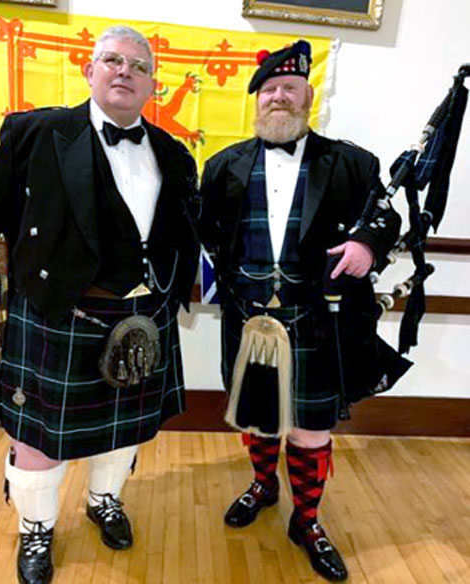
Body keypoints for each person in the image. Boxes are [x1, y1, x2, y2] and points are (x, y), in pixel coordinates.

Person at [0, 25, 200, 584]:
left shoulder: (172, 151)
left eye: (138, 66)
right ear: (89, 71)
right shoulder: (36, 133)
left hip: (143, 316)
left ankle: (103, 499)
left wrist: (175, 295)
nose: (124, 71)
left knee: (128, 430)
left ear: (153, 86)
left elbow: (183, 230)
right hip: (57, 313)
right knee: (38, 439)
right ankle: (37, 529)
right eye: (112, 61)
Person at [198, 40, 402, 583]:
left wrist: (366, 245)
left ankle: (306, 520)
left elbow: (385, 219)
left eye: (289, 88)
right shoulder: (223, 166)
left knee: (311, 428)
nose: (278, 98)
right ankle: (264, 486)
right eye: (268, 90)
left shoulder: (352, 163)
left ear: (308, 96)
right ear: (256, 101)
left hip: (317, 322)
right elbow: (204, 235)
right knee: (257, 419)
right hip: (249, 320)